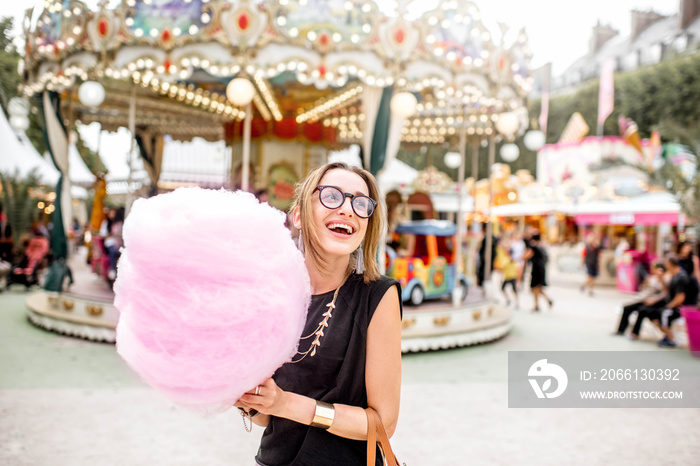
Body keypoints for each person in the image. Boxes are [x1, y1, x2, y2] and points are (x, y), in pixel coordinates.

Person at [235, 162, 403, 466]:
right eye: (332, 197)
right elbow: (265, 418)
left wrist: (286, 403)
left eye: (360, 203)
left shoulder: (377, 297)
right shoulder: (273, 294)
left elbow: (383, 423)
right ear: (298, 215)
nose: (348, 210)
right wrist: (248, 398)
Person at [631, 254, 688, 348]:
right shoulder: (672, 275)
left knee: (663, 313)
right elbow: (667, 291)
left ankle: (671, 338)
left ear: (669, 263)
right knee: (644, 310)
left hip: (677, 307)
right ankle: (637, 333)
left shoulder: (680, 277)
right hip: (667, 302)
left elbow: (680, 298)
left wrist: (668, 306)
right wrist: (660, 280)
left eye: (666, 262)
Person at [614, 261, 669, 337]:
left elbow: (664, 293)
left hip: (654, 302)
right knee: (627, 308)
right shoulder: (652, 278)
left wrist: (661, 280)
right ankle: (620, 330)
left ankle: (634, 333)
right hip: (644, 299)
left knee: (641, 310)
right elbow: (645, 291)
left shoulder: (665, 279)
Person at [522, 232, 553, 312]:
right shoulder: (542, 246)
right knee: (538, 288)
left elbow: (525, 256)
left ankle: (537, 305)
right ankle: (544, 301)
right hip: (541, 269)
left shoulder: (534, 247)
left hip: (536, 270)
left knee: (535, 288)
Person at [496, 242, 520, 309]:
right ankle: (508, 299)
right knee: (503, 289)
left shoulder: (513, 260)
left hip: (512, 276)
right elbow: (503, 268)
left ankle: (517, 302)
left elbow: (517, 268)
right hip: (507, 277)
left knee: (514, 290)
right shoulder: (506, 259)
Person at [677, 241, 700, 306]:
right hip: (680, 283)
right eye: (685, 247)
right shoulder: (677, 259)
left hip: (690, 284)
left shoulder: (693, 259)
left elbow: (696, 272)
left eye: (689, 247)